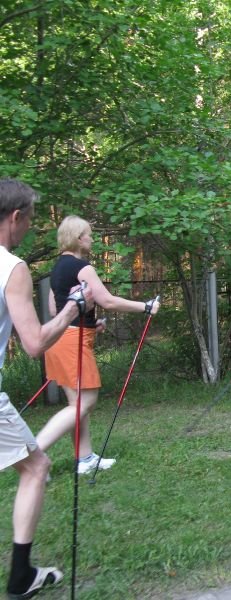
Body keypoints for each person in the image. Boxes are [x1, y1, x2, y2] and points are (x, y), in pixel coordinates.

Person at [0, 179, 96, 598]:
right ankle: (21, 577)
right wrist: (75, 307)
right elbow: (35, 343)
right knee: (36, 467)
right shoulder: (11, 267)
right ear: (15, 217)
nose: (31, 227)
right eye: (31, 219)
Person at [35, 215, 160, 474]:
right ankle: (33, 455)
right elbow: (108, 301)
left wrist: (91, 324)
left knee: (77, 406)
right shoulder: (83, 268)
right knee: (85, 403)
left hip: (59, 339)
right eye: (89, 235)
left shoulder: (57, 268)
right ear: (79, 238)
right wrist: (145, 306)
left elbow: (55, 308)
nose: (92, 239)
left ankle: (85, 459)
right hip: (72, 342)